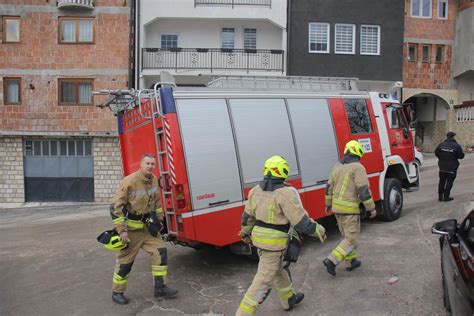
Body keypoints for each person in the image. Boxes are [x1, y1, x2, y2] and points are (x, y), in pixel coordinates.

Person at [236, 155, 326, 315]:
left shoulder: (255, 191)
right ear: (284, 172)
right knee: (263, 281)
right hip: (274, 244)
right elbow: (300, 221)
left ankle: (288, 299)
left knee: (279, 270)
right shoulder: (286, 193)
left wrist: (245, 232)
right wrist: (318, 229)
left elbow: (246, 217)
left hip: (259, 241)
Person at [110, 154, 178, 305]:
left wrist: (159, 218)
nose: (150, 166)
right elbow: (115, 207)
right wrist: (122, 231)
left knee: (160, 252)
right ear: (141, 164)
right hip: (131, 233)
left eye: (152, 164)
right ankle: (117, 292)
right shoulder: (129, 181)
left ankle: (160, 288)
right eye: (147, 163)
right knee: (125, 263)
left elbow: (157, 201)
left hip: (148, 230)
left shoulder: (154, 179)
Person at [323, 140, 376, 277]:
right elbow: (363, 191)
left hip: (337, 209)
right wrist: (371, 208)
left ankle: (351, 261)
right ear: (358, 153)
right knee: (351, 239)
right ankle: (332, 260)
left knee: (346, 236)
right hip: (350, 210)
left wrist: (328, 205)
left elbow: (328, 188)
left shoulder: (336, 167)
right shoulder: (358, 167)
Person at [435, 131, 465, 202]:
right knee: (449, 182)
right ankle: (446, 197)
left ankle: (440, 197)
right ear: (453, 137)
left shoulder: (441, 144)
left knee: (441, 181)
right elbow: (461, 156)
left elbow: (436, 153)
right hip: (452, 167)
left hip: (442, 167)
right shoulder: (456, 146)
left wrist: (442, 158)